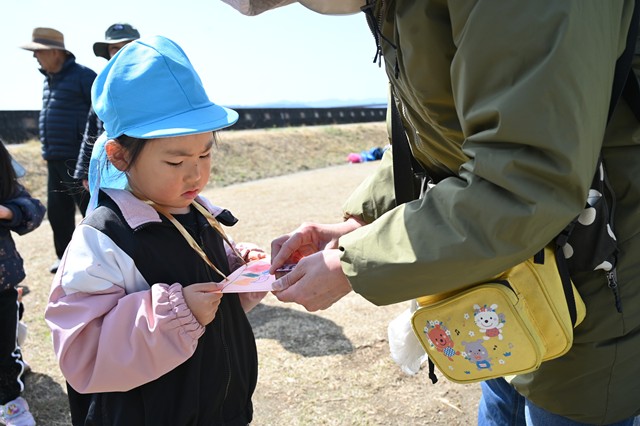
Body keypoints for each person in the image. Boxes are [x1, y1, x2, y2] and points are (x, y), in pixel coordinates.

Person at [222, 1, 640, 425]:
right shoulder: (395, 7)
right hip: (504, 286)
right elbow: (429, 139)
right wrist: (357, 224)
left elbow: (525, 182)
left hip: (594, 291)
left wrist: (354, 264)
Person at [44, 35, 267, 425]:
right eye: (175, 162)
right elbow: (82, 353)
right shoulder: (104, 238)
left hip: (222, 409)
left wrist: (238, 271)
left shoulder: (200, 213)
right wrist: (174, 315)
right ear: (119, 156)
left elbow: (212, 298)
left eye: (205, 153)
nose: (196, 173)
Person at [20, 27, 96, 274]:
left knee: (90, 210)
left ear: (55, 52)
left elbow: (98, 113)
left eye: (38, 51)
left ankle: (101, 256)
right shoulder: (49, 80)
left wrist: (88, 156)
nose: (35, 57)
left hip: (77, 158)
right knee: (58, 212)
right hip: (53, 157)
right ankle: (64, 257)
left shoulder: (84, 76)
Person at [0, 139, 46, 426]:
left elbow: (33, 209)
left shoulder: (4, 174)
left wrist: (8, 211)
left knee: (3, 353)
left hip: (2, 286)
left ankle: (11, 402)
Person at [75, 23, 141, 192]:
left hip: (142, 165)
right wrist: (84, 170)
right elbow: (91, 129)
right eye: (114, 48)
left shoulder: (152, 83)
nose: (120, 52)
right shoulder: (101, 87)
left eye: (126, 46)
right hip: (107, 165)